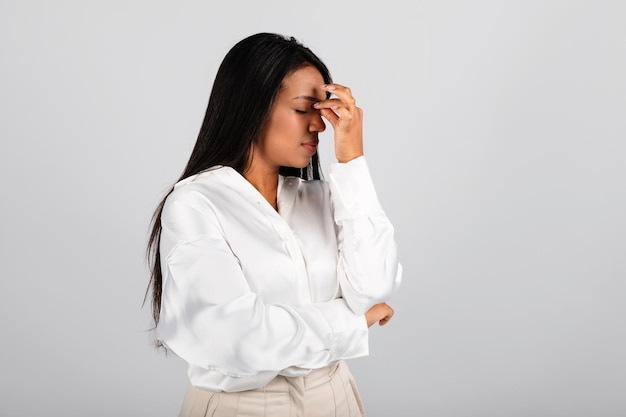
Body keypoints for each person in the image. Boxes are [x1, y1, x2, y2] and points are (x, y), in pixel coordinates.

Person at [146, 32, 402, 417]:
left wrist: (351, 161)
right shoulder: (195, 205)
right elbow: (239, 340)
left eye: (322, 110)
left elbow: (373, 289)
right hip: (243, 406)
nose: (319, 125)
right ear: (252, 108)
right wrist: (350, 324)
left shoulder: (320, 198)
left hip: (336, 397)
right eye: (303, 110)